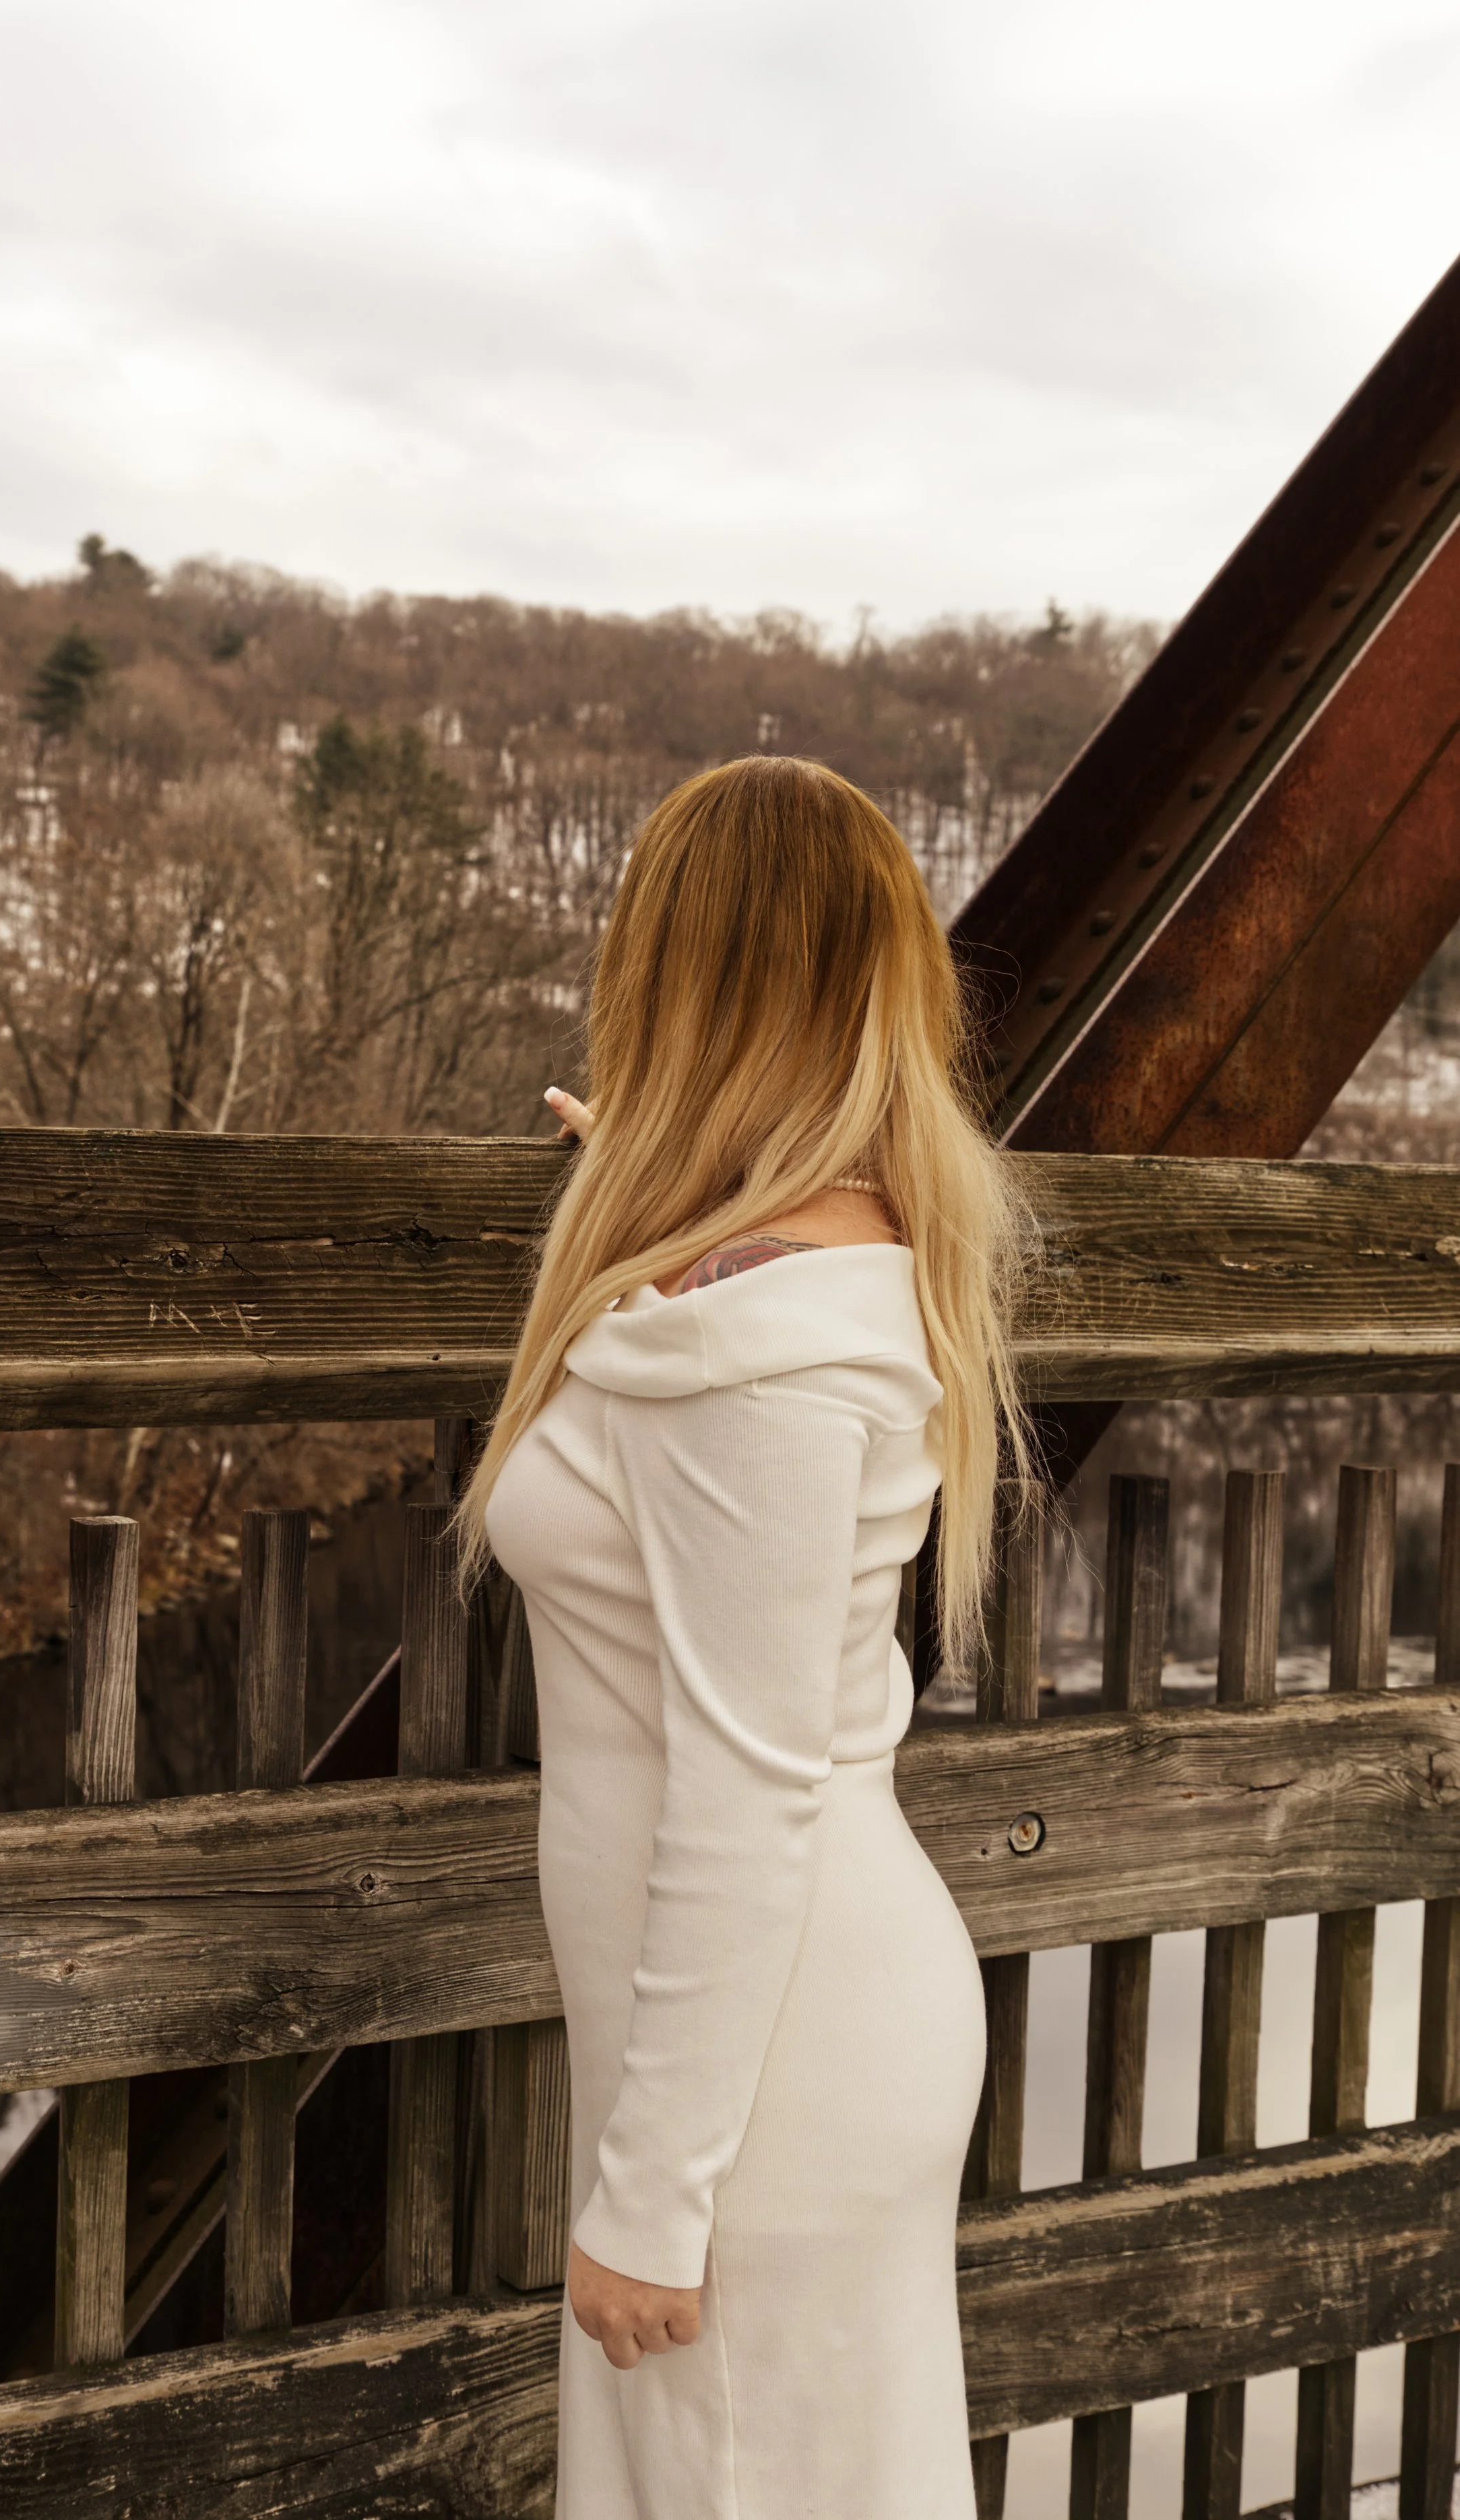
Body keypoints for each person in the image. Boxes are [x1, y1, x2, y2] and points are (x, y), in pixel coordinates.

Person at [461, 754, 1029, 2519]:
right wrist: (643, 1186)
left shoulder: (770, 1363)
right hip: (738, 2050)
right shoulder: (742, 1286)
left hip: (760, 2079)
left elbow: (741, 1794)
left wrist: (650, 2194)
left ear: (679, 975)